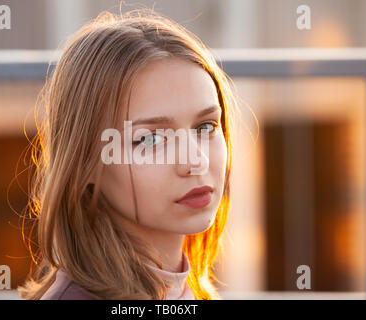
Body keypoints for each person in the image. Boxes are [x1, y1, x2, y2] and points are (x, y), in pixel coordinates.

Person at [17, 8, 236, 300]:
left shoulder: (181, 291)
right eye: (151, 139)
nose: (195, 161)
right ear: (86, 164)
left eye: (205, 126)